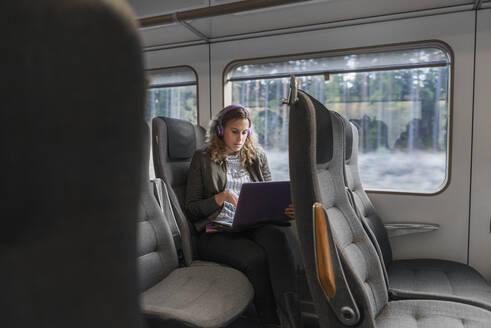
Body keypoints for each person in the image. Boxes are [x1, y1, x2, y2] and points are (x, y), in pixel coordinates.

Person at [185, 105, 300, 328]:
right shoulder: (202, 158)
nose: (240, 137)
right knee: (255, 258)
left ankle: (292, 319)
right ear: (221, 131)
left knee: (279, 240)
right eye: (234, 131)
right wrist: (221, 197)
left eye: (245, 132)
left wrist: (283, 209)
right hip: (216, 230)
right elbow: (191, 208)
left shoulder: (257, 156)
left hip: (251, 224)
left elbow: (268, 196)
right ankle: (271, 321)